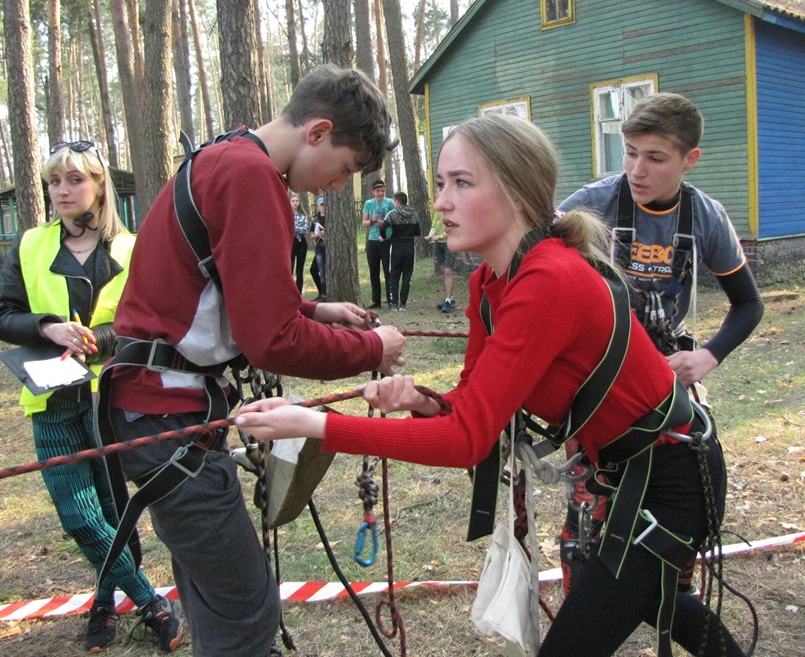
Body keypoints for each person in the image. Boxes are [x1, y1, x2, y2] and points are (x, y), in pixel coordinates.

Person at [236, 114, 748, 657]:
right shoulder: (489, 282)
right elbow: (472, 407)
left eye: (462, 182)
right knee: (649, 598)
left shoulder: (548, 279)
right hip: (628, 474)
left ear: (517, 192)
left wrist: (317, 426)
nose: (441, 204)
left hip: (671, 478)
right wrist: (422, 401)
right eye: (440, 184)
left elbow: (467, 441)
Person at [102, 64, 406, 657]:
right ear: (317, 132)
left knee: (216, 595)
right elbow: (270, 340)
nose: (338, 187)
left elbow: (219, 288)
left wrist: (315, 311)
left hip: (158, 414)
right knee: (245, 611)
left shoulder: (225, 156)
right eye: (345, 169)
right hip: (167, 419)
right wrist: (374, 347)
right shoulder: (250, 176)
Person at [556, 92, 764, 594]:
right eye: (629, 151)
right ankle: (582, 617)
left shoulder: (704, 217)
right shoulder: (592, 203)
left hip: (666, 383)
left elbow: (749, 304)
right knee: (588, 512)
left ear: (690, 159)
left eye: (655, 157)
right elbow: (533, 272)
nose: (636, 169)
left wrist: (708, 356)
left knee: (686, 496)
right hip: (598, 382)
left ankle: (674, 596)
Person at [0, 140, 182, 654]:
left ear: (99, 185)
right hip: (50, 402)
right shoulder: (30, 244)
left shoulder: (133, 248)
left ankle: (103, 600)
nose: (62, 191)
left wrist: (102, 340)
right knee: (77, 514)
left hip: (113, 397)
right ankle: (149, 600)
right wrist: (48, 328)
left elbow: (150, 320)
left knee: (117, 510)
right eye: (54, 181)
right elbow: (3, 315)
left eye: (74, 179)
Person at [384, 191, 421, 310]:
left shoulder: (393, 214)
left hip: (396, 246)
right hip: (409, 245)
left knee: (394, 274)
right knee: (407, 276)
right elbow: (418, 232)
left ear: (397, 202)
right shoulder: (414, 213)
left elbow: (383, 227)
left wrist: (384, 237)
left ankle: (394, 303)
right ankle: (403, 304)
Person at [361, 178, 395, 308]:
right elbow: (363, 223)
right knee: (374, 271)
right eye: (378, 191)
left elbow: (395, 220)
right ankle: (376, 300)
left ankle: (391, 298)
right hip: (372, 241)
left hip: (387, 240)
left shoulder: (390, 203)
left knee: (388, 270)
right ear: (373, 192)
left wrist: (384, 223)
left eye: (382, 191)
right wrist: (371, 221)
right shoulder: (368, 204)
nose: (380, 193)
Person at [425, 210, 457, 312]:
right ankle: (450, 299)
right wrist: (431, 235)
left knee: (448, 271)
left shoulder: (452, 212)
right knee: (443, 270)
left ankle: (447, 301)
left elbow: (451, 227)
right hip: (439, 244)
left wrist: (441, 236)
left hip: (449, 242)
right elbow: (434, 225)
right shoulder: (438, 212)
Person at [290, 193, 310, 293]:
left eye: (296, 201)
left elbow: (305, 230)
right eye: (293, 201)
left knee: (299, 269)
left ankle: (299, 292)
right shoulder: (287, 215)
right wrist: (294, 229)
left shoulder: (303, 215)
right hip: (291, 243)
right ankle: (289, 291)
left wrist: (294, 229)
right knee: (290, 268)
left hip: (302, 243)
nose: (295, 203)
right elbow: (287, 228)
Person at [309, 195, 327, 301]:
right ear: (318, 206)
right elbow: (311, 235)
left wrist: (325, 233)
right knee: (313, 270)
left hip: (326, 247)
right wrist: (318, 234)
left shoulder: (330, 218)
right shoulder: (316, 219)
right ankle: (321, 291)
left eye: (325, 205)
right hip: (319, 246)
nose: (323, 207)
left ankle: (324, 295)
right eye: (321, 205)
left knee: (323, 271)